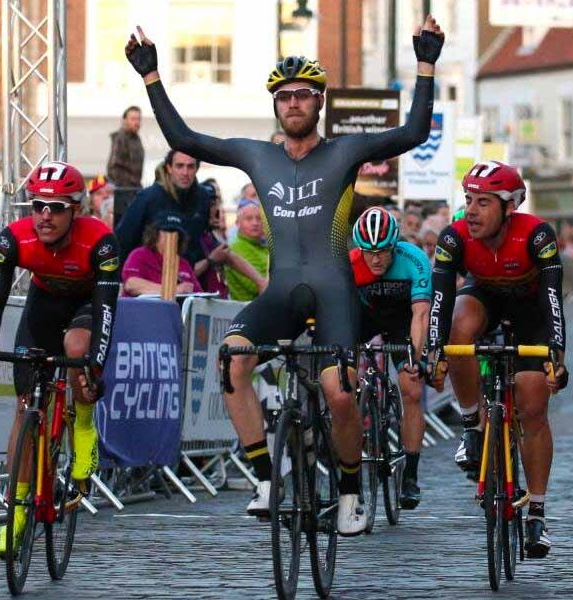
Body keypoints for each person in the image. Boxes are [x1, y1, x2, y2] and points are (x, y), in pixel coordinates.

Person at [126, 15, 443, 535]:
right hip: (281, 293)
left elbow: (413, 132)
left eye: (303, 95)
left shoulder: (344, 152)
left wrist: (426, 64)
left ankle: (349, 495)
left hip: (334, 293)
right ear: (275, 105)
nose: (293, 103)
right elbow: (184, 137)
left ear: (319, 102)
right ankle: (267, 478)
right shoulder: (257, 156)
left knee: (339, 392)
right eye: (284, 96)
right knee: (231, 361)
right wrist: (151, 75)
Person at [0, 161, 120, 558]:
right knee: (24, 410)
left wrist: (94, 367)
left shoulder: (100, 242)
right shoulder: (12, 239)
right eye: (38, 206)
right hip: (44, 307)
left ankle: (83, 426)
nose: (45, 216)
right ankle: (16, 516)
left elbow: (106, 311)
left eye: (56, 208)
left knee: (76, 349)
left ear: (76, 209)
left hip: (86, 305)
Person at [426, 160, 568, 559]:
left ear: (510, 207)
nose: (471, 210)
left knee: (532, 406)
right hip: (484, 298)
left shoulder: (536, 235)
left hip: (531, 311)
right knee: (458, 328)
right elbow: (440, 302)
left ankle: (536, 512)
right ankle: (472, 426)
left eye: (483, 202)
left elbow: (553, 299)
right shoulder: (454, 237)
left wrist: (556, 355)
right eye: (468, 200)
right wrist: (434, 352)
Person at [350, 207, 431, 508]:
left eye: (382, 252)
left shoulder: (414, 260)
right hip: (365, 317)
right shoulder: (351, 264)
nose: (375, 259)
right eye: (369, 252)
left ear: (394, 245)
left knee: (412, 388)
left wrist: (415, 359)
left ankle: (410, 476)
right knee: (342, 382)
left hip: (402, 322)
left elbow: (420, 315)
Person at [115, 149, 212, 266]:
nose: (185, 172)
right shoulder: (148, 198)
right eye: (179, 166)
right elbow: (123, 239)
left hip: (189, 271)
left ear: (196, 169)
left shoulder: (203, 198)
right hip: (148, 271)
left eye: (190, 167)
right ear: (169, 168)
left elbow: (201, 240)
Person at [122, 212, 203, 297]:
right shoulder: (139, 255)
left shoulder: (183, 264)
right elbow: (131, 284)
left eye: (176, 232)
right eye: (167, 230)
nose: (172, 235)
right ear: (155, 233)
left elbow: (200, 294)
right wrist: (174, 290)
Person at [226, 199, 269, 301]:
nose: (255, 223)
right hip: (248, 306)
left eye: (259, 219)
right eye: (249, 219)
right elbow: (255, 287)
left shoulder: (264, 247)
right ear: (237, 223)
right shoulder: (235, 248)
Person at [107, 105, 145, 188]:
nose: (137, 122)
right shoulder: (120, 138)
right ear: (124, 121)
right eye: (133, 119)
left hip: (134, 188)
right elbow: (114, 168)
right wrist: (128, 187)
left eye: (139, 119)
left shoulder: (136, 138)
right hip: (124, 190)